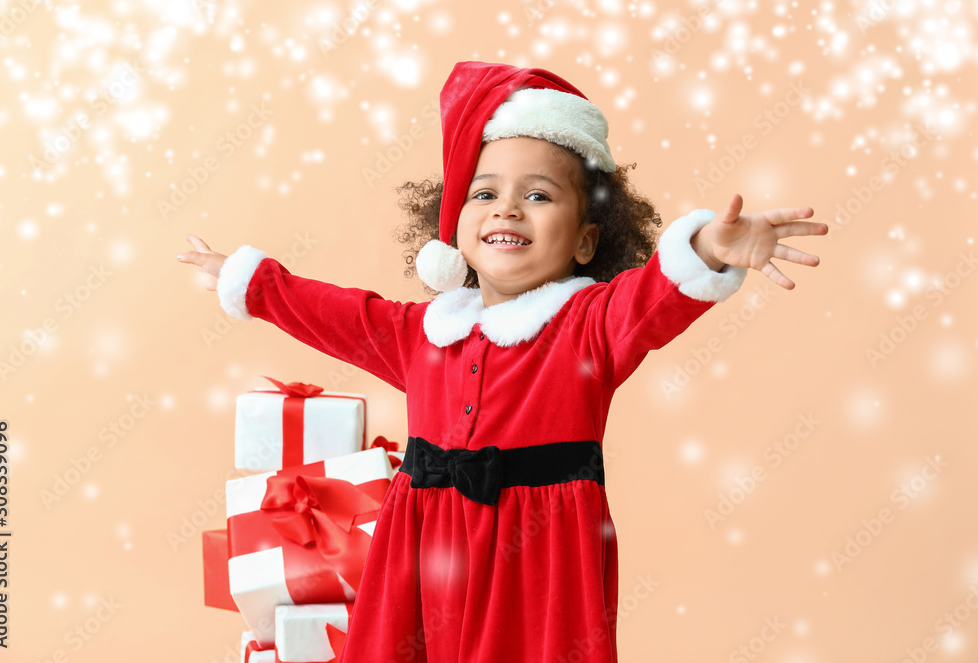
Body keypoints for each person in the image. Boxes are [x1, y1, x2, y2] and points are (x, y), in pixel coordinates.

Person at [178, 61, 827, 662]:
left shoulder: (588, 326)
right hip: (419, 551)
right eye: (484, 194)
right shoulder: (422, 331)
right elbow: (336, 313)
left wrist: (711, 248)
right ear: (455, 225)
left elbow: (655, 297)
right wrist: (249, 280)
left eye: (539, 196)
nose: (507, 209)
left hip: (536, 555)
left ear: (586, 239)